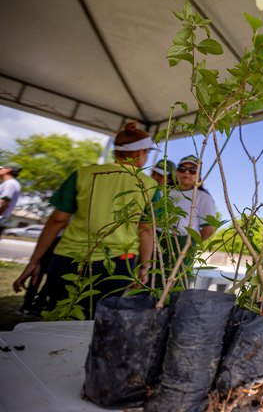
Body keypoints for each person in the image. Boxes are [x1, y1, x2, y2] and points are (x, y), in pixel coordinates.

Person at [12, 121, 158, 315]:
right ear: (139, 152)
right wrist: (144, 267)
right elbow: (146, 230)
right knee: (98, 321)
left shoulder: (83, 174)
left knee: (60, 313)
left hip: (70, 259)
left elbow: (57, 220)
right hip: (119, 263)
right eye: (147, 152)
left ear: (116, 152)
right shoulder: (149, 185)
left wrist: (35, 260)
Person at [156, 154, 216, 277]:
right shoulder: (163, 192)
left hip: (182, 245)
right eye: (182, 168)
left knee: (176, 284)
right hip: (156, 241)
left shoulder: (203, 197)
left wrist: (190, 242)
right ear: (175, 172)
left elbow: (208, 229)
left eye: (193, 170)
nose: (187, 173)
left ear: (199, 176)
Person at [0, 162, 23, 239]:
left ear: (8, 170)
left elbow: (4, 202)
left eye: (1, 168)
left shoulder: (10, 183)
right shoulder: (11, 183)